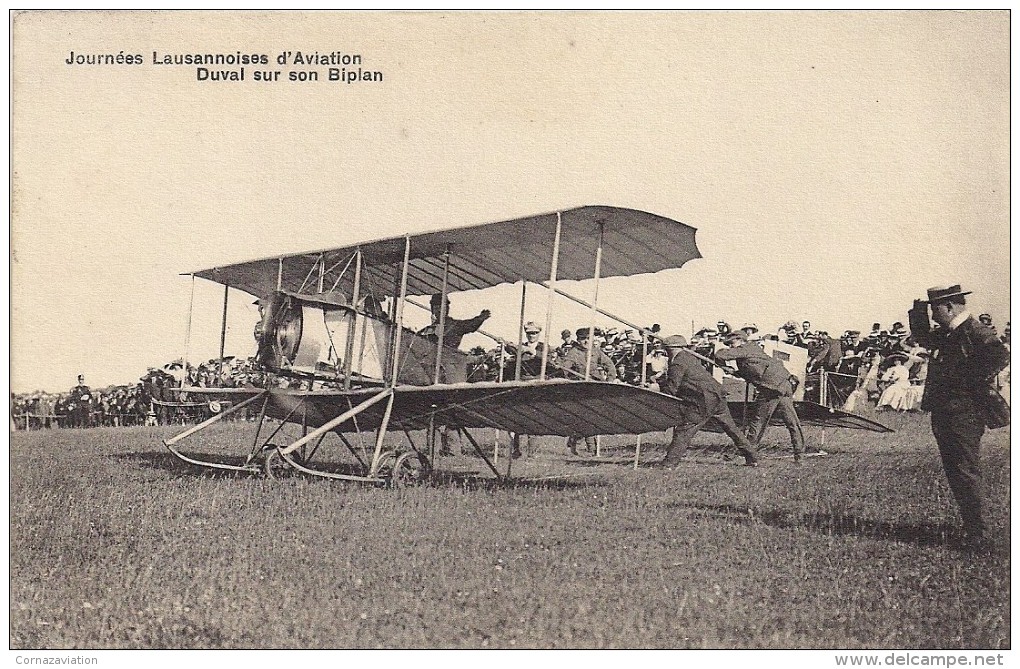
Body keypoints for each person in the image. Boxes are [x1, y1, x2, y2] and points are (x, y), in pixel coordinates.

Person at [908, 284, 1010, 548]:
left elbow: (1000, 355)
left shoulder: (975, 330)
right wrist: (918, 309)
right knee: (956, 470)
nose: (933, 317)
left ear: (949, 307)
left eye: (934, 310)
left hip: (964, 413)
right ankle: (973, 528)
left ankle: (978, 534)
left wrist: (964, 381)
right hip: (947, 412)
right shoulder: (948, 333)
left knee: (964, 470)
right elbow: (921, 335)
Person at [657, 335, 758, 467]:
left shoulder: (677, 362)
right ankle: (752, 458)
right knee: (732, 429)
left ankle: (668, 464)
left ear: (669, 349)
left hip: (703, 400)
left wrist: (658, 396)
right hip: (717, 396)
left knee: (684, 430)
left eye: (666, 349)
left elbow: (672, 387)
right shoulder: (689, 358)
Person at [715, 330, 807, 460]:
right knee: (792, 422)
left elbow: (720, 354)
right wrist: (734, 372)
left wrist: (722, 365)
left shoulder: (745, 348)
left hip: (771, 389)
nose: (730, 346)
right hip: (783, 385)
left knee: (758, 422)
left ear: (741, 340)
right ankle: (800, 454)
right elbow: (755, 372)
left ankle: (749, 454)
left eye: (732, 343)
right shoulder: (752, 351)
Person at [560, 327, 618, 455]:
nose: (586, 341)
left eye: (588, 338)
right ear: (578, 340)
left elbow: (610, 365)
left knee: (593, 417)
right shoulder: (573, 353)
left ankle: (583, 446)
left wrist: (609, 380)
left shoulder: (596, 352)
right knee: (583, 418)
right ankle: (583, 447)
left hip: (596, 387)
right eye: (582, 339)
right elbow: (564, 370)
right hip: (580, 389)